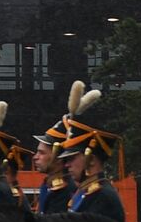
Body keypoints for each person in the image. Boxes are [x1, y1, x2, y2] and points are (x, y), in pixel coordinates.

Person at [33, 82, 100, 215]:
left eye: (41, 153)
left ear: (58, 157)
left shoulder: (64, 190)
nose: (35, 157)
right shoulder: (50, 184)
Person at [59, 116, 126, 222]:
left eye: (71, 158)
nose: (67, 165)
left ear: (91, 160)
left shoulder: (102, 196)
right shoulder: (85, 192)